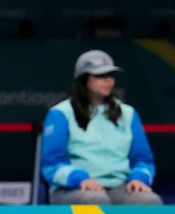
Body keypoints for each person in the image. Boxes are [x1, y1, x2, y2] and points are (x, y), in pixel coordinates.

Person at [41, 49, 162, 205]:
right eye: (100, 76)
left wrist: (138, 178)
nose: (108, 81)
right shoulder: (60, 113)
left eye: (110, 75)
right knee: (96, 200)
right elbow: (51, 164)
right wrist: (79, 179)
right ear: (83, 79)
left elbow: (143, 160)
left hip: (119, 187)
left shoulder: (128, 113)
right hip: (71, 188)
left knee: (150, 201)